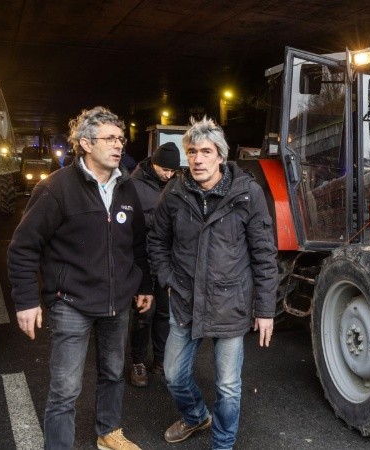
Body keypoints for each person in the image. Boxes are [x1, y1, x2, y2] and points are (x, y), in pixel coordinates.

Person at [8, 106, 153, 450]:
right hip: (70, 302)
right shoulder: (55, 189)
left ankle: (108, 432)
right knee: (65, 388)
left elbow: (137, 243)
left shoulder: (126, 188)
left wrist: (144, 285)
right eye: (110, 139)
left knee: (113, 373)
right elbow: (23, 246)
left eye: (121, 139)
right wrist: (26, 301)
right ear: (85, 144)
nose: (119, 146)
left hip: (117, 302)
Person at [147, 116, 277, 449]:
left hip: (230, 304)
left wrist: (265, 310)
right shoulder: (174, 192)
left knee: (229, 387)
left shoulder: (247, 194)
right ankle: (195, 416)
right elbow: (157, 240)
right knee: (174, 375)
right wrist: (166, 279)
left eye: (206, 151)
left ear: (220, 155)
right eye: (192, 151)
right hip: (185, 300)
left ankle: (222, 444)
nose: (198, 159)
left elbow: (264, 254)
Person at [128, 142, 181, 387]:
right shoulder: (133, 184)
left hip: (167, 259)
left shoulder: (176, 184)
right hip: (142, 258)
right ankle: (138, 362)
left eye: (172, 171)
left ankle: (160, 359)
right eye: (164, 170)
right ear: (153, 162)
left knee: (164, 312)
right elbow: (129, 221)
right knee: (143, 313)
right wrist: (158, 221)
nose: (168, 175)